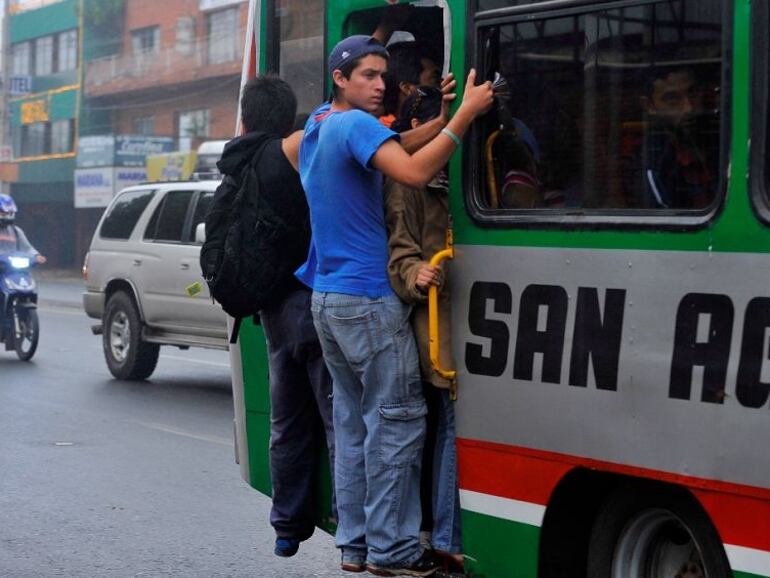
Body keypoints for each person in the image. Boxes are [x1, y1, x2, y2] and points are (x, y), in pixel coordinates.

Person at [296, 35, 493, 576]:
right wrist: (468, 115)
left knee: (355, 427)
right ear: (340, 77)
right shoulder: (356, 125)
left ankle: (357, 545)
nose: (380, 84)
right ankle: (394, 549)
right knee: (396, 424)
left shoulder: (319, 124)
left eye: (383, 75)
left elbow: (400, 147)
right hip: (368, 302)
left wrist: (451, 116)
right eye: (367, 75)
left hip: (329, 300)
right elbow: (412, 171)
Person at [215, 76, 334, 558]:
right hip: (310, 297)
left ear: (245, 117)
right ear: (288, 120)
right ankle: (353, 525)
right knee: (336, 418)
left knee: (287, 420)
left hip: (271, 307)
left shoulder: (236, 162)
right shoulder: (291, 152)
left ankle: (287, 526)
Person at [384, 86, 463, 572]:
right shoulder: (406, 182)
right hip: (437, 320)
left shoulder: (477, 171)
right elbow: (402, 257)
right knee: (450, 425)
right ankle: (446, 537)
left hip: (475, 316)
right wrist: (419, 275)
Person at [633, 66, 718, 209]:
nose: (689, 108)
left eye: (693, 93)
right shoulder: (653, 162)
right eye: (672, 99)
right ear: (649, 106)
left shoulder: (719, 141)